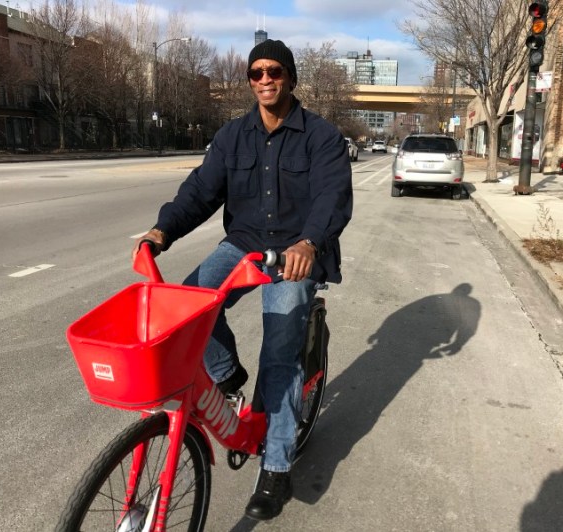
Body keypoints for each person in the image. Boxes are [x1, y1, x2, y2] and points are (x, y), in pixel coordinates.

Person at [133, 39, 353, 521]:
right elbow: (201, 189)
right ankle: (229, 373)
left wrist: (308, 243)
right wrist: (162, 229)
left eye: (275, 71)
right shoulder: (234, 136)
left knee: (280, 351)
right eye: (256, 73)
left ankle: (276, 466)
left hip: (294, 253)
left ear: (291, 77)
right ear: (249, 80)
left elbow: (332, 197)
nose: (265, 79)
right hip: (245, 244)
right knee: (186, 306)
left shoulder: (321, 137)